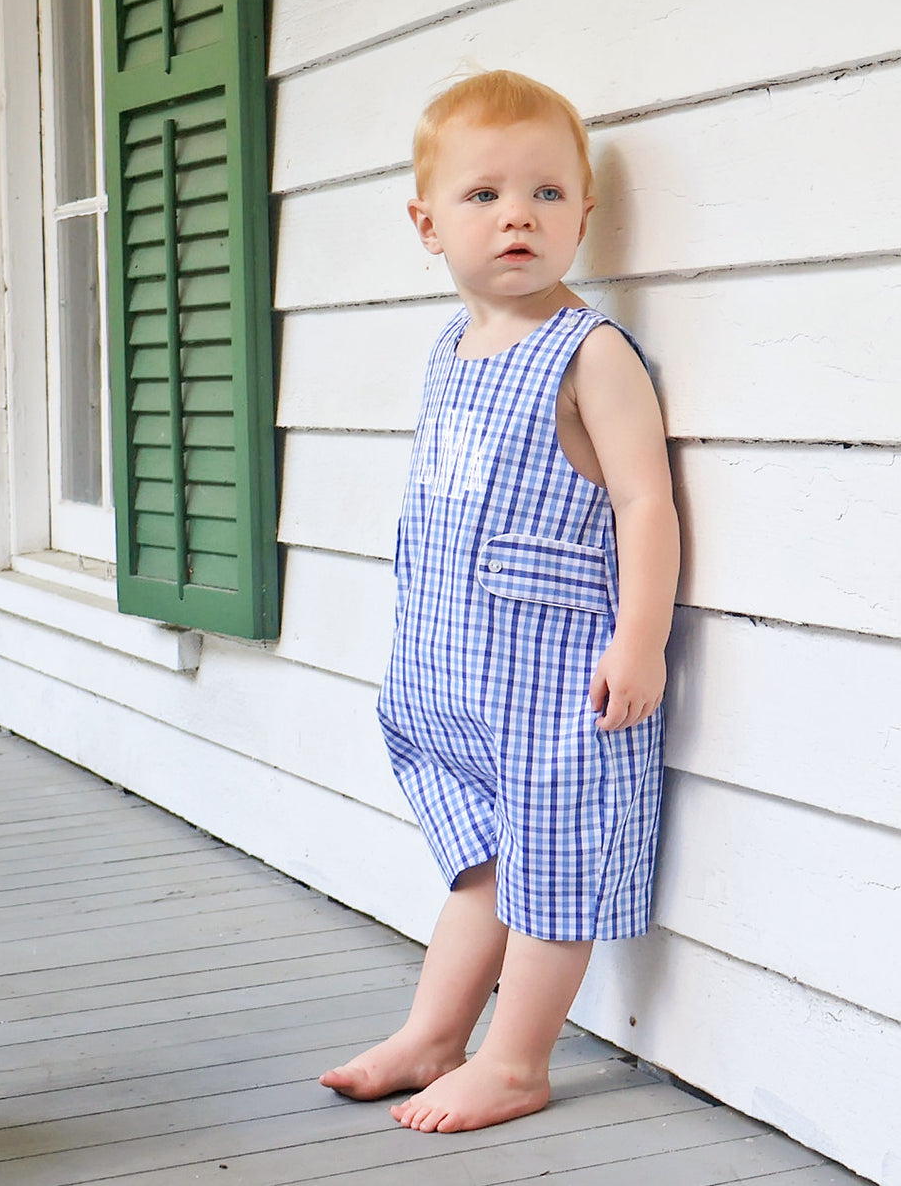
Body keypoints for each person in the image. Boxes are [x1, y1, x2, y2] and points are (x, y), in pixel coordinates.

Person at [320, 69, 680, 1134]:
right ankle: (436, 1033)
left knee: (551, 867)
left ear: (584, 213)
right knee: (479, 864)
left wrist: (641, 639)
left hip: (558, 677)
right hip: (454, 672)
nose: (516, 214)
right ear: (426, 224)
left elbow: (643, 501)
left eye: (545, 194)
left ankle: (516, 1059)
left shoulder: (591, 352)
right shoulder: (450, 349)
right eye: (483, 196)